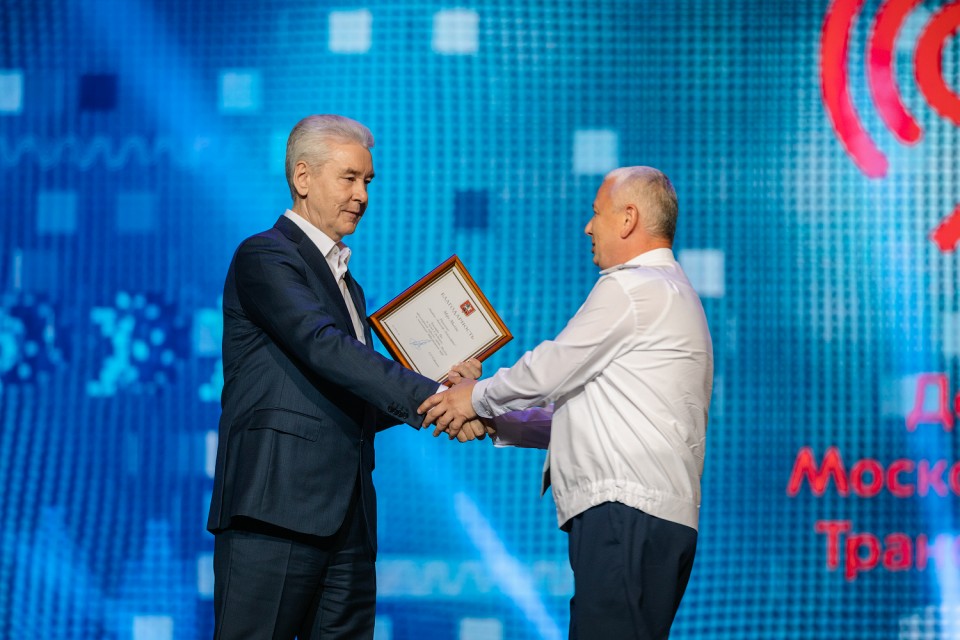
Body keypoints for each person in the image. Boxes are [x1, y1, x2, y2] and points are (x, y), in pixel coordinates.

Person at [206, 114, 479, 640]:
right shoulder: (265, 255)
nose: (362, 195)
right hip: (275, 511)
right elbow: (324, 347)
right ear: (303, 177)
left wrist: (445, 392)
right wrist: (433, 394)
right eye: (349, 178)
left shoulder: (350, 287)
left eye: (368, 181)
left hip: (349, 520)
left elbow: (354, 398)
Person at [419, 166, 714, 640]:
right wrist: (491, 419)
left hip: (624, 512)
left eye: (597, 213)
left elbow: (548, 370)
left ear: (628, 219)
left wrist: (473, 397)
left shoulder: (633, 287)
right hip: (651, 518)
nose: (587, 227)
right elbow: (585, 415)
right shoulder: (670, 291)